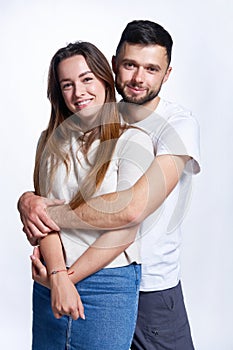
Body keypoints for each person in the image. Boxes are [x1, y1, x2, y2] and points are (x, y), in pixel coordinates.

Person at [18, 20, 201, 350]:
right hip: (75, 276)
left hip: (150, 287)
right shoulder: (85, 121)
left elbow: (131, 209)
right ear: (114, 65)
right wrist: (28, 200)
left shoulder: (176, 125)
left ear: (167, 74)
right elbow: (53, 190)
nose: (138, 78)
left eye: (151, 69)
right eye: (130, 65)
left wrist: (47, 216)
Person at [26, 40, 154, 349]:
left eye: (86, 79)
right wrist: (57, 276)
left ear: (104, 80)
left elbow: (126, 228)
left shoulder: (133, 142)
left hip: (108, 284)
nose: (78, 92)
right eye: (66, 84)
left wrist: (66, 278)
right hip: (50, 279)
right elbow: (44, 218)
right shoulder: (50, 142)